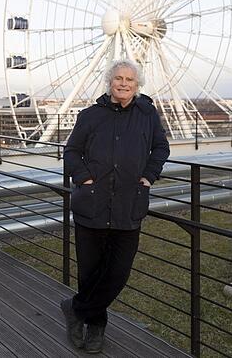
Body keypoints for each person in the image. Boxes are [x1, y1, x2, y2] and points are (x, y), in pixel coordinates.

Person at [59, 59, 170, 354]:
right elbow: (71, 151)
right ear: (109, 82)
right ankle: (96, 328)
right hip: (91, 206)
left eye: (129, 80)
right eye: (118, 78)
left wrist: (148, 175)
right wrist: (84, 179)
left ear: (137, 85)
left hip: (128, 206)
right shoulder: (90, 116)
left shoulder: (147, 115)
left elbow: (161, 147)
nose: (123, 83)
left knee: (118, 273)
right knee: (89, 273)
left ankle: (75, 309)